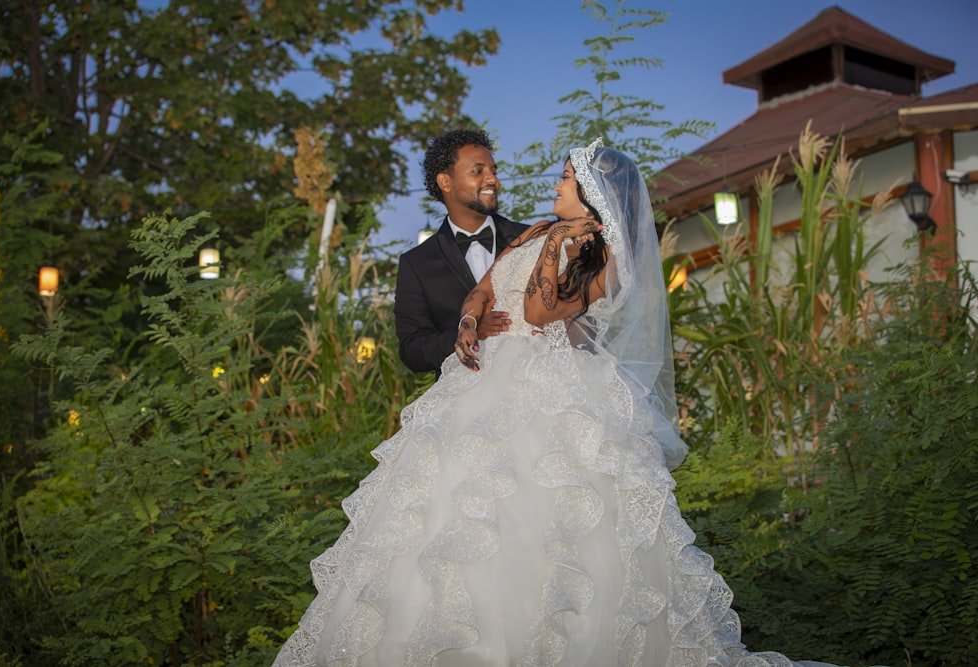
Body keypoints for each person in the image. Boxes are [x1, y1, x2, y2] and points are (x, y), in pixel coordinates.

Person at [274, 140, 834, 666]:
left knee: (551, 516)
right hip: (475, 387)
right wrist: (469, 319)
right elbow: (482, 289)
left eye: (567, 177)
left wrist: (558, 246)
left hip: (552, 389)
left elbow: (543, 313)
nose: (547, 182)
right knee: (444, 508)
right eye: (479, 169)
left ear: (594, 197)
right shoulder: (525, 234)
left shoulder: (597, 257)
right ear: (445, 181)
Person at [394, 128, 528, 375]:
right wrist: (468, 334)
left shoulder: (529, 240)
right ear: (445, 182)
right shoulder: (416, 263)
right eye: (478, 171)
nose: (493, 180)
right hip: (461, 404)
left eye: (494, 171)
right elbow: (412, 349)